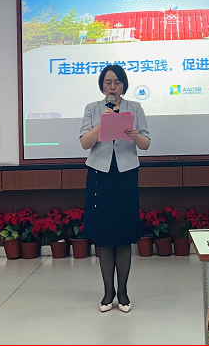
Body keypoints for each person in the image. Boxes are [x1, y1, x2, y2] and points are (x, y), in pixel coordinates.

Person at [79, 64, 150, 313]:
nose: (112, 87)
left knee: (123, 233)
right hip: (99, 175)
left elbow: (146, 144)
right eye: (108, 82)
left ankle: (123, 292)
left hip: (126, 174)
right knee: (105, 234)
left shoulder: (135, 108)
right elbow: (85, 143)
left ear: (124, 85)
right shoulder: (92, 109)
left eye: (117, 82)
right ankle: (108, 292)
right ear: (102, 86)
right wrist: (103, 123)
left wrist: (135, 135)